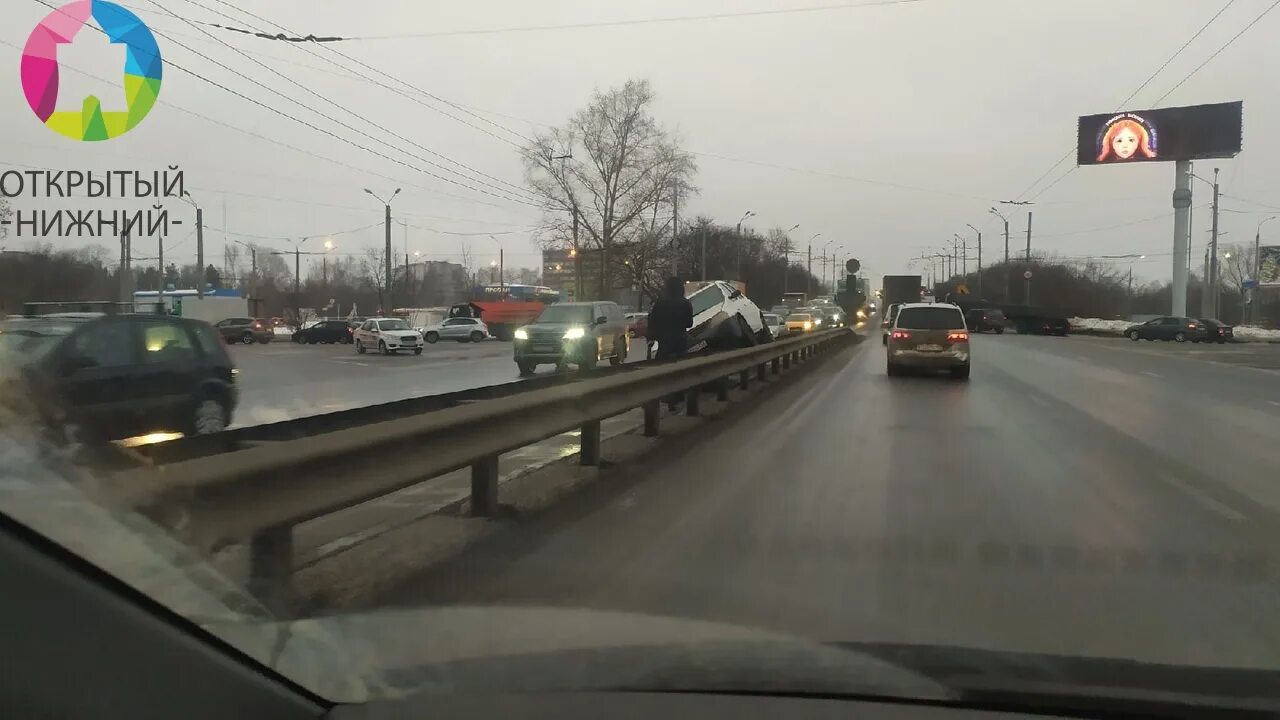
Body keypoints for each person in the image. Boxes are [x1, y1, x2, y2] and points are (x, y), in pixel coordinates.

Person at [647, 276, 694, 408]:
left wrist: (651, 338)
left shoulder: (660, 303)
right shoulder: (685, 303)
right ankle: (677, 398)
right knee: (680, 371)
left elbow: (652, 322)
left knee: (662, 370)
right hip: (680, 342)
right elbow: (689, 323)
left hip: (664, 342)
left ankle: (664, 396)